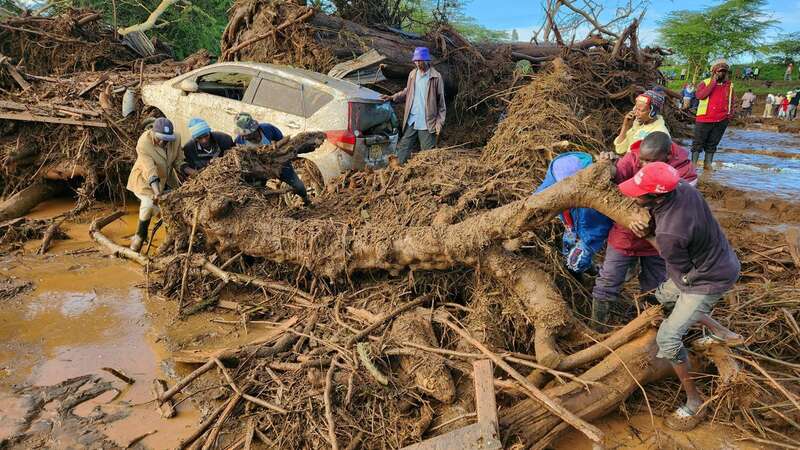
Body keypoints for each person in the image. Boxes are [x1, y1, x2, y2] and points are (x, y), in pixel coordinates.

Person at [619, 161, 742, 431]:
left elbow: (677, 266)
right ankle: (725, 333)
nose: (632, 195)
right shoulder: (684, 188)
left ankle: (693, 401)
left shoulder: (670, 233)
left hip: (707, 278)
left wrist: (646, 233)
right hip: (718, 259)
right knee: (665, 299)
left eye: (638, 193)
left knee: (668, 336)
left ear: (656, 196)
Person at [592, 132, 697, 331]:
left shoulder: (684, 172)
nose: (642, 164)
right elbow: (613, 189)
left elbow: (681, 211)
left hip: (660, 238)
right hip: (625, 232)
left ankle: (646, 329)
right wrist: (606, 167)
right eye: (641, 159)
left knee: (655, 287)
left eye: (649, 161)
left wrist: (650, 224)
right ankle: (597, 330)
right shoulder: (633, 157)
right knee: (607, 281)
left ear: (667, 157)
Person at [535, 152, 613, 276]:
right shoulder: (555, 178)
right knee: (567, 247)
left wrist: (587, 242)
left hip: (589, 232)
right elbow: (539, 196)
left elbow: (597, 228)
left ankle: (588, 272)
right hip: (571, 225)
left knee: (575, 262)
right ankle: (580, 266)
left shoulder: (592, 201)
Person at [126, 117, 195, 252]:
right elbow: (150, 171)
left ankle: (171, 237)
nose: (163, 142)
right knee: (148, 205)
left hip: (166, 180)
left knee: (176, 208)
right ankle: (140, 236)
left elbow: (179, 161)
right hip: (144, 181)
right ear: (153, 133)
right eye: (160, 138)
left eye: (167, 139)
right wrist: (158, 194)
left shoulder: (176, 138)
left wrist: (193, 172)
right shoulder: (144, 143)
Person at [381, 47, 446, 164]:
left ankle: (428, 179)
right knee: (403, 150)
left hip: (427, 122)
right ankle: (398, 173)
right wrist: (392, 97)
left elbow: (441, 104)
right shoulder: (412, 74)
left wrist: (439, 122)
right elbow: (407, 92)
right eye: (416, 61)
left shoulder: (436, 77)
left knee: (428, 155)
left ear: (427, 60)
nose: (418, 63)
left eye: (420, 61)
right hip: (413, 120)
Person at [233, 112, 310, 205]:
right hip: (259, 170)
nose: (243, 136)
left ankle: (306, 200)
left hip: (279, 164)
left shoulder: (267, 129)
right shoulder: (239, 141)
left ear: (253, 130)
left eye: (246, 134)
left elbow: (283, 143)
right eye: (242, 134)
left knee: (298, 185)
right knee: (256, 191)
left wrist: (277, 148)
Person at [692, 59, 735, 170]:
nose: (722, 74)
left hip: (721, 120)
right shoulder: (705, 83)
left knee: (713, 144)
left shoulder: (729, 85)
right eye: (719, 71)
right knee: (697, 143)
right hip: (704, 118)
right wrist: (713, 83)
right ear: (714, 72)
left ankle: (708, 164)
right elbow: (700, 96)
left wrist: (729, 116)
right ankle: (693, 165)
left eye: (724, 71)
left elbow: (731, 101)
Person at [613, 89, 670, 155]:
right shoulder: (637, 125)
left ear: (653, 112)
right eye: (636, 108)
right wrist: (625, 126)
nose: (636, 113)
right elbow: (620, 150)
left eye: (641, 110)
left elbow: (650, 161)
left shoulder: (660, 133)